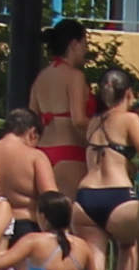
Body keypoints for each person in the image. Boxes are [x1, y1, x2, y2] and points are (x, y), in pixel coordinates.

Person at [78, 66, 139, 270]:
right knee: (128, 248)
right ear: (129, 93)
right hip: (118, 195)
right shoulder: (129, 119)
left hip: (85, 196)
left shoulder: (94, 121)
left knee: (95, 259)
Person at [30, 21, 95, 193]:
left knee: (46, 213)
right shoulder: (75, 76)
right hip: (70, 151)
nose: (86, 50)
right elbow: (79, 119)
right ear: (74, 44)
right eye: (85, 43)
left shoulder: (41, 77)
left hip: (43, 151)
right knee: (70, 214)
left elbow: (31, 118)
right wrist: (103, 127)